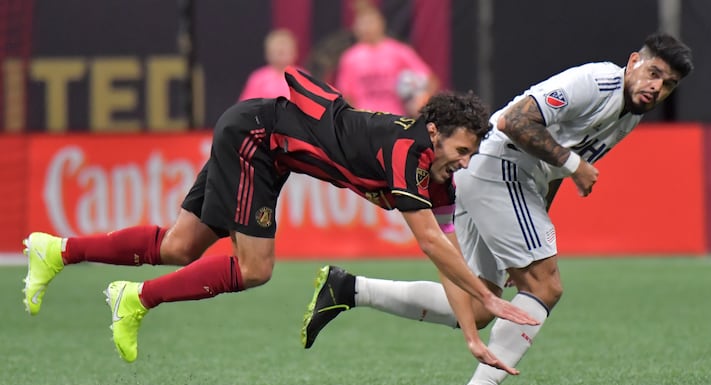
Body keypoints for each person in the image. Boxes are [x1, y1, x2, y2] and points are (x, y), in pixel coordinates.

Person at [22, 66, 539, 365]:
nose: (466, 162)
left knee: (180, 246)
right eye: (463, 149)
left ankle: (57, 250)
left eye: (472, 154)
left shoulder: (437, 175)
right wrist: (488, 295)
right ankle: (133, 298)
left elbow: (444, 253)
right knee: (255, 268)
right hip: (256, 139)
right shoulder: (409, 153)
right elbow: (431, 245)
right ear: (435, 132)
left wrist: (472, 333)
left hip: (260, 139)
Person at [301, 32, 694, 385]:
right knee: (544, 286)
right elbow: (515, 121)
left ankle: (349, 289)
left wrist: (533, 227)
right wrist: (575, 167)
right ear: (632, 63)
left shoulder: (630, 115)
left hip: (500, 180)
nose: (656, 86)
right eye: (653, 72)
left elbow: (554, 169)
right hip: (499, 169)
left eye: (668, 84)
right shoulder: (597, 82)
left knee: (478, 304)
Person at [334, 2, 439, 117]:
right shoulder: (350, 57)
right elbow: (347, 96)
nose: (367, 28)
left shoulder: (399, 51)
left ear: (381, 23)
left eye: (370, 22)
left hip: (395, 120)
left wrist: (419, 102)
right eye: (362, 23)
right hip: (366, 122)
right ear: (355, 27)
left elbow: (430, 80)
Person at [238, 28, 299, 100]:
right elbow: (246, 106)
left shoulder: (303, 77)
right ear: (268, 53)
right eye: (278, 52)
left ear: (295, 52)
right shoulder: (258, 78)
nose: (281, 55)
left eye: (285, 51)